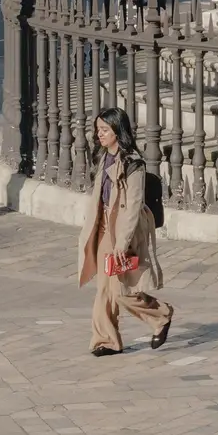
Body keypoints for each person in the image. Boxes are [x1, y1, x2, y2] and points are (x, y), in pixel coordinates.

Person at [78, 108, 173, 357]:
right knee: (105, 289)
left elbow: (133, 207)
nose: (99, 134)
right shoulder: (103, 157)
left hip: (122, 231)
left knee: (121, 290)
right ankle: (105, 340)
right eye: (98, 129)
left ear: (118, 131)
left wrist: (122, 242)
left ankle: (160, 314)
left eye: (104, 130)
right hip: (102, 228)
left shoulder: (133, 164)